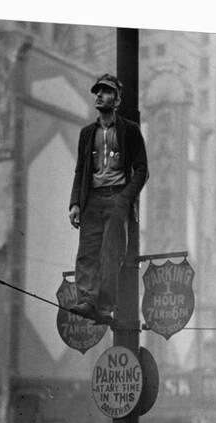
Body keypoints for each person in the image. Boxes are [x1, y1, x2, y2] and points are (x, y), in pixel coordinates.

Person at [69, 73, 148, 320]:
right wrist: (75, 204)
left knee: (111, 252)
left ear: (116, 99)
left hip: (117, 198)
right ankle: (87, 301)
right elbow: (81, 169)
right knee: (87, 252)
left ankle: (104, 307)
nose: (100, 95)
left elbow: (142, 169)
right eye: (98, 91)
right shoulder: (87, 133)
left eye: (106, 91)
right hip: (92, 198)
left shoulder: (130, 130)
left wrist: (125, 199)